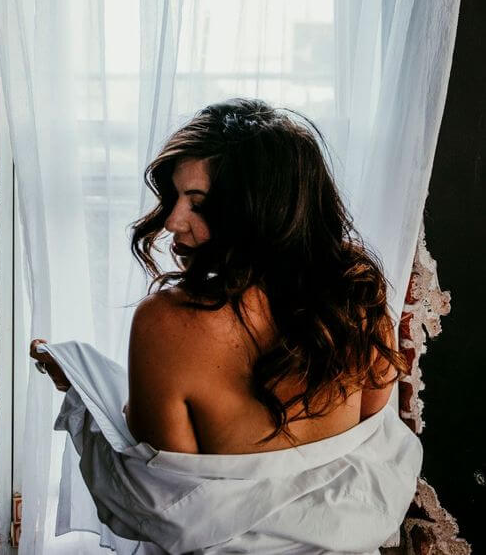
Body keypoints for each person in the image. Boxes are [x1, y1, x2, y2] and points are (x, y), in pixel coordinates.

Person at [30, 98, 422, 554]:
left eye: (198, 203)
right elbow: (374, 447)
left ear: (262, 209)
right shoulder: (357, 298)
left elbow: (162, 503)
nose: (173, 221)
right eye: (174, 198)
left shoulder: (166, 322)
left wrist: (80, 394)